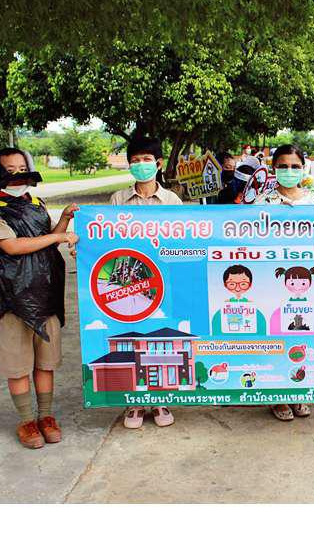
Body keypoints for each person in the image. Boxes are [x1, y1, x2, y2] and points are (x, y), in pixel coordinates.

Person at [0, 148, 79, 449]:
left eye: (23, 168)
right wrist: (57, 237)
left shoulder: (37, 204)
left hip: (44, 294)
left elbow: (48, 241)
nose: (18, 174)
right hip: (12, 299)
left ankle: (46, 416)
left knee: (46, 363)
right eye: (10, 169)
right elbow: (13, 246)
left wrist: (63, 220)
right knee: (18, 364)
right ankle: (26, 420)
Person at [110, 137, 182, 430]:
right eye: (135, 160)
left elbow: (184, 237)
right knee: (131, 336)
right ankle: (135, 401)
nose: (141, 165)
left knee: (161, 337)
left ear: (158, 163)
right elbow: (107, 237)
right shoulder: (118, 199)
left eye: (147, 160)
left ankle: (160, 398)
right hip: (128, 281)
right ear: (130, 165)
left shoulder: (172, 201)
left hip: (161, 279)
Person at [259, 144, 314, 420]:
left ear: (303, 168)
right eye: (283, 166)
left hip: (306, 282)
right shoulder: (262, 202)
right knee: (276, 336)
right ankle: (278, 395)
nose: (289, 171)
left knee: (304, 336)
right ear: (274, 168)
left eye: (295, 166)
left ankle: (299, 390)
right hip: (273, 280)